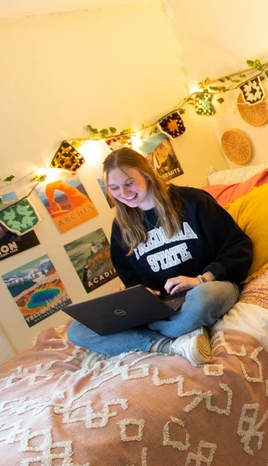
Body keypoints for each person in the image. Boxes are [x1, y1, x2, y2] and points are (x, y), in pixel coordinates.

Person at [65, 148, 253, 364]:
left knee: (203, 298)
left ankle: (147, 337)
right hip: (161, 305)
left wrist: (200, 279)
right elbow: (132, 276)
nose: (124, 194)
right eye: (114, 188)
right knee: (78, 330)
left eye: (129, 183)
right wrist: (138, 292)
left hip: (207, 287)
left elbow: (239, 246)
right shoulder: (121, 226)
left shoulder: (193, 201)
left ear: (146, 174)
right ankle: (169, 344)